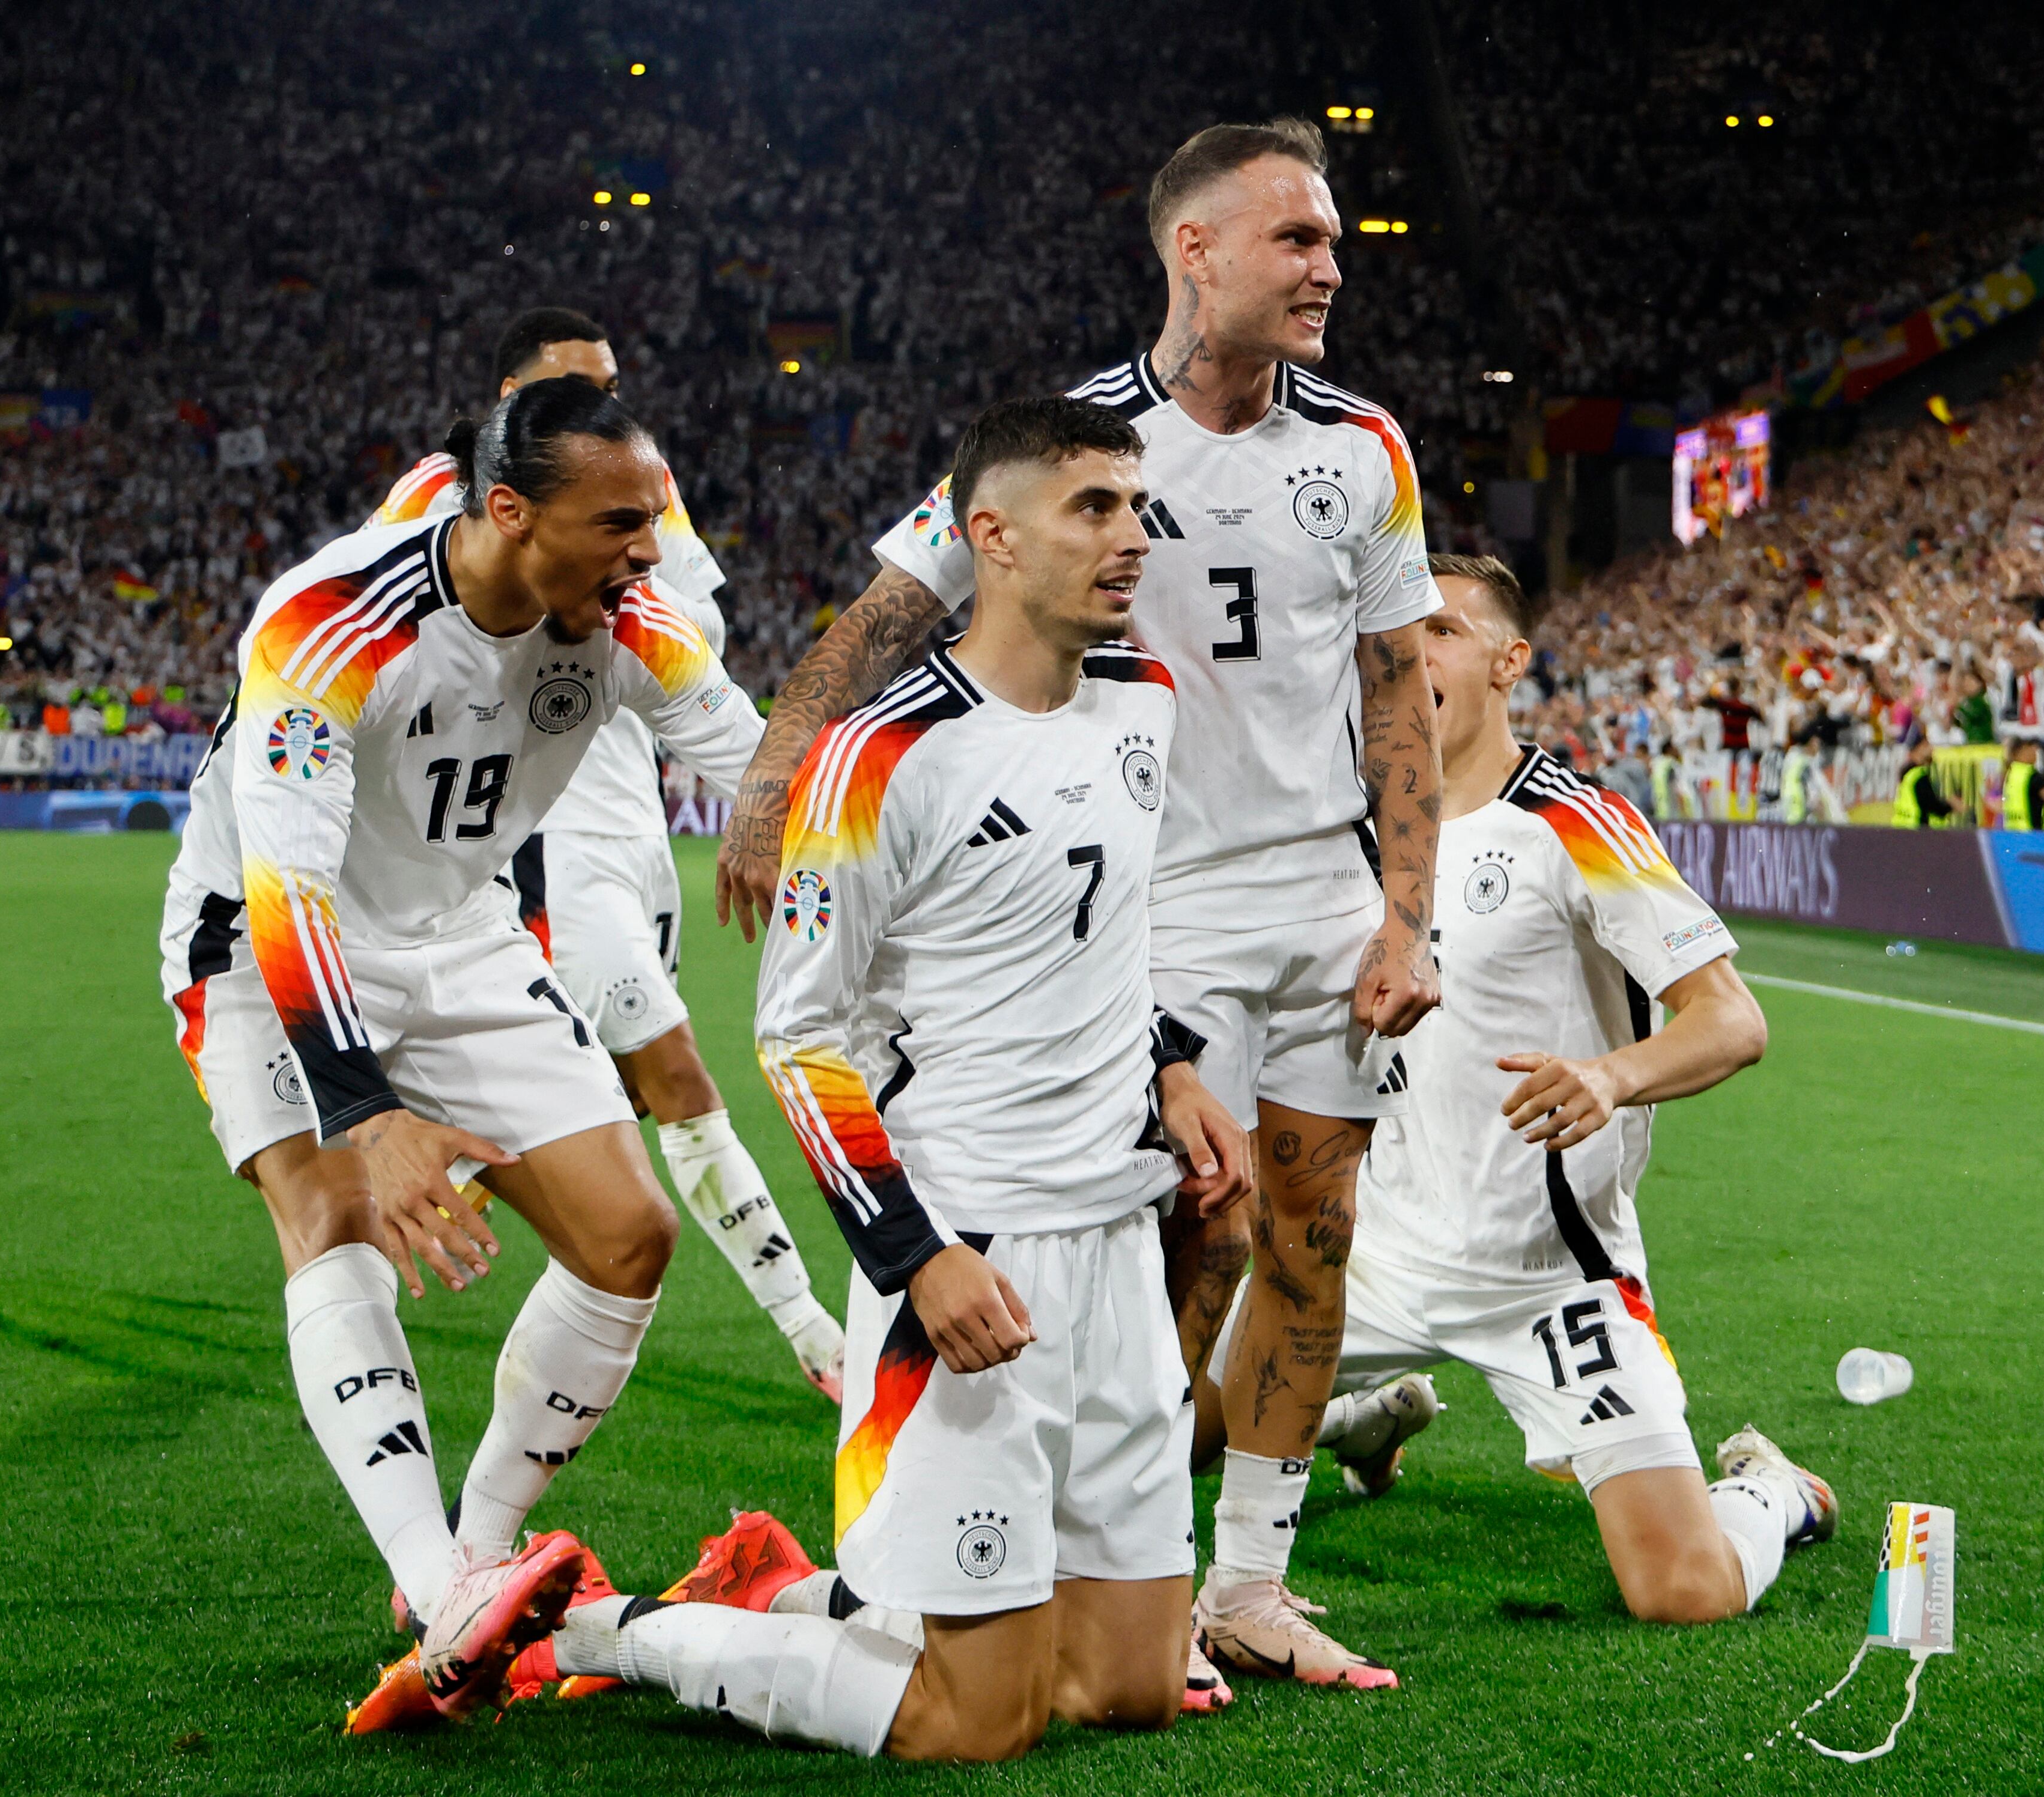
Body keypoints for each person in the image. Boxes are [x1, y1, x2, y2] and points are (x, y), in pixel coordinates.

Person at [712, 118, 1443, 1694]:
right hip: (1144, 887)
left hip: (1320, 879)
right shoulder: (1074, 446)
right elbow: (895, 610)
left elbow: (1400, 689)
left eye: (1333, 239)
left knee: (1315, 1227)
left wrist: (1407, 913)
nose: (1333, 265)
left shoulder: (1365, 448)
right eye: (1299, 240)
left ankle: (1244, 1574)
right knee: (1194, 1230)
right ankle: (1092, 1553)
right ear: (1197, 250)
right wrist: (777, 783)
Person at [529, 396, 1254, 1763]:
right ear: (992, 535)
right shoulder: (880, 756)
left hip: (1114, 1253)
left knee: (1130, 1688)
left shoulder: (1141, 705)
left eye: (1135, 505)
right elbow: (803, 1044)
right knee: (967, 1723)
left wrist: (1173, 1067)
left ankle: (791, 1594)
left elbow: (1102, 931)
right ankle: (604, 1629)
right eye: (1091, 508)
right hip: (969, 1255)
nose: (1131, 535)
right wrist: (916, 1257)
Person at [154, 377, 764, 1727]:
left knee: (628, 1236)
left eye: (651, 519)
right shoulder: (331, 626)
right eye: (619, 523)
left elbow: (755, 759)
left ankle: (479, 1546)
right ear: (506, 512)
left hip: (462, 928)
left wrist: (797, 829)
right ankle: (437, 1589)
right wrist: (366, 1105)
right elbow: (287, 888)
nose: (651, 553)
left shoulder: (627, 617)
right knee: (335, 1217)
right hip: (264, 943)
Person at [1202, 555, 1832, 1623]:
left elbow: (1732, 1021)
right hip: (1373, 1250)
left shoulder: (1576, 824)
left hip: (1546, 1278)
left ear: (1508, 661)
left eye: (1441, 631)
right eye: (1397, 633)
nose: (1409, 652)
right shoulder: (1345, 833)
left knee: (1683, 1593)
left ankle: (1769, 1493)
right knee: (1172, 1429)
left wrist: (1609, 1075)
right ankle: (1359, 1417)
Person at [371, 306, 843, 1401]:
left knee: (610, 1099)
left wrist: (752, 804)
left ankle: (382, 1221)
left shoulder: (642, 489)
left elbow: (694, 652)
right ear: (510, 412)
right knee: (673, 1075)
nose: (606, 405)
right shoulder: (429, 506)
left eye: (613, 384)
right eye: (576, 386)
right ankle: (820, 1341)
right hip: (548, 831)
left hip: (636, 818)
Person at [2002, 738, 2044, 830]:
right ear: (2023, 749)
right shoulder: (2031, 776)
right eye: (2032, 748)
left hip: (2013, 836)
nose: (2036, 752)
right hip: (2032, 836)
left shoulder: (2010, 775)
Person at [1893, 740, 1954, 827]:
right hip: (1916, 828)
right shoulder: (1918, 775)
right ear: (1917, 750)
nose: (1932, 749)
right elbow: (1932, 804)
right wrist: (1950, 805)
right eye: (1926, 745)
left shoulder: (1908, 773)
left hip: (1903, 826)